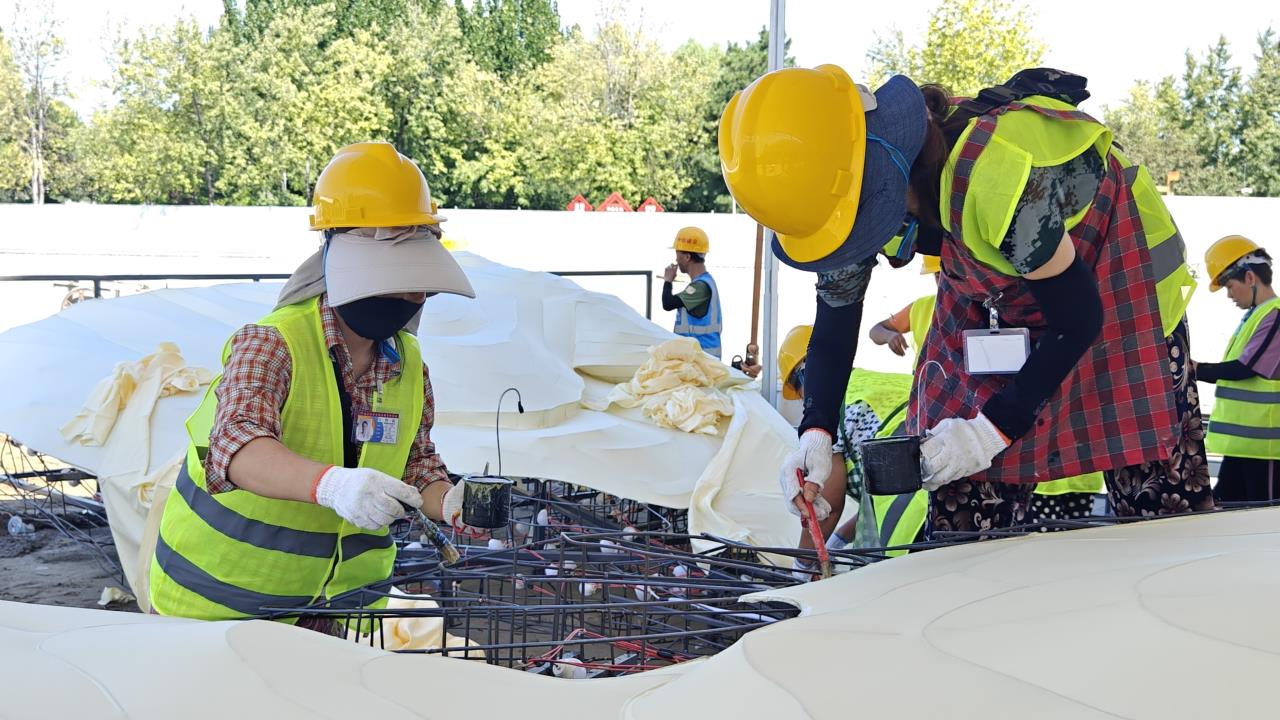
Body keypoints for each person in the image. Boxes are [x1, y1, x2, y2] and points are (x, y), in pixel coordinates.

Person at [719, 65, 1207, 534]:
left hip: (1122, 301)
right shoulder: (843, 197)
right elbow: (835, 325)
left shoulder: (994, 177)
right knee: (961, 496)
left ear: (874, 176)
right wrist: (815, 434)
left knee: (1156, 513)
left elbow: (1077, 318)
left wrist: (987, 433)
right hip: (1005, 300)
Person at [149, 142, 479, 625]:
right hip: (220, 607)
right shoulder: (272, 343)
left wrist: (445, 499)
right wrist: (333, 486)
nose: (412, 295)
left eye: (418, 280)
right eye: (397, 277)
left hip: (339, 611)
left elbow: (415, 460)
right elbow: (237, 448)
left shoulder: (408, 362)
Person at [869, 256, 1105, 526]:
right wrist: (889, 336)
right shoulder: (924, 307)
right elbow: (878, 330)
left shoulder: (995, 305)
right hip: (952, 413)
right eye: (937, 276)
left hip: (1010, 415)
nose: (940, 280)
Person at [1196, 235, 1280, 502]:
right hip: (1246, 446)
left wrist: (1194, 370)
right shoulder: (1257, 316)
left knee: (1263, 520)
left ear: (1250, 278)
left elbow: (1244, 369)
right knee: (1226, 508)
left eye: (1230, 287)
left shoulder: (1275, 315)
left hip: (1265, 450)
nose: (1230, 295)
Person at [661, 226, 723, 359]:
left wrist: (668, 281)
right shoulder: (703, 282)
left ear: (687, 257)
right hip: (698, 358)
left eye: (678, 255)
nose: (676, 260)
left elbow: (668, 304)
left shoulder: (700, 287)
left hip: (703, 359)